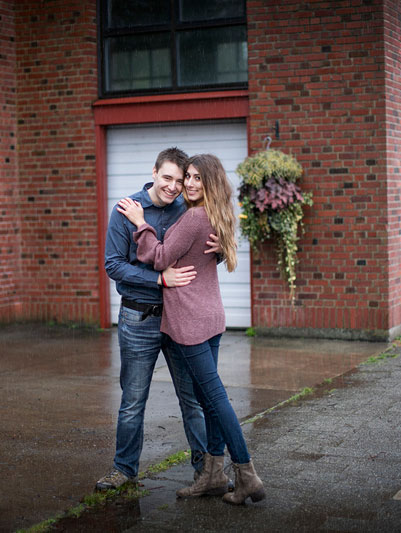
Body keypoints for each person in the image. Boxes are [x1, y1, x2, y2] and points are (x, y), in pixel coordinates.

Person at [117, 153, 265, 505]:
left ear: (211, 183)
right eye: (190, 177)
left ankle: (247, 474)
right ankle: (213, 476)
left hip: (192, 324)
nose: (191, 184)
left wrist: (141, 222)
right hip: (210, 317)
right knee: (207, 401)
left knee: (214, 399)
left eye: (199, 178)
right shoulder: (215, 213)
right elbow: (205, 251)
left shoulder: (195, 216)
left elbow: (160, 257)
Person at [98, 147, 221, 492]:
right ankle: (123, 469)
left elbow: (207, 244)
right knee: (133, 399)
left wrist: (221, 247)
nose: (173, 187)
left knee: (192, 398)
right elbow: (113, 265)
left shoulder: (190, 210)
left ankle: (205, 471)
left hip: (180, 318)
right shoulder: (127, 210)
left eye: (179, 181)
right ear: (154, 172)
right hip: (138, 318)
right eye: (167, 177)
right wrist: (158, 279)